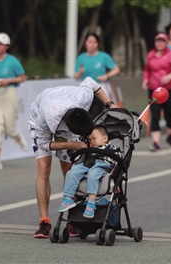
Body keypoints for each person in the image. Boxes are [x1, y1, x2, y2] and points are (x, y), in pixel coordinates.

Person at [29, 77, 117, 238]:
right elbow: (44, 145)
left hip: (68, 109)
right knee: (43, 168)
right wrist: (71, 145)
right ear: (68, 128)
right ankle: (44, 221)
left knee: (69, 168)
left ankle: (71, 218)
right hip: (40, 116)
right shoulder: (44, 117)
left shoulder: (82, 98)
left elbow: (91, 82)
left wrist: (110, 104)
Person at [57, 125, 123, 218]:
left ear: (105, 138)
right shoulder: (90, 148)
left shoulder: (111, 147)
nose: (92, 142)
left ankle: (91, 203)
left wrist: (115, 169)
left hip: (102, 164)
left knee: (93, 173)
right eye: (90, 140)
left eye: (94, 138)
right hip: (89, 162)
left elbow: (119, 158)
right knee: (72, 172)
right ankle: (68, 198)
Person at [0, 32, 28, 170]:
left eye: (2, 44)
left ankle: (17, 135)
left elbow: (22, 77)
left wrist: (9, 80)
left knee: (9, 129)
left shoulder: (13, 61)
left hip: (9, 94)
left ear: (7, 46)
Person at [142, 32, 171, 151]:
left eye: (162, 41)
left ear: (166, 43)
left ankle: (170, 132)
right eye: (157, 41)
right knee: (154, 115)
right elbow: (147, 70)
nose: (159, 43)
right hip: (154, 90)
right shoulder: (151, 55)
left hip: (168, 90)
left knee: (168, 116)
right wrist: (145, 79)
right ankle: (156, 142)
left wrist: (170, 76)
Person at [74, 33, 121, 105]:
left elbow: (116, 69)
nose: (92, 44)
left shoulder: (103, 56)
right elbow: (76, 78)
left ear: (97, 44)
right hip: (86, 88)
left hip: (100, 86)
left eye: (94, 42)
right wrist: (80, 72)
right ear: (85, 43)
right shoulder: (81, 58)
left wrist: (107, 76)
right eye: (90, 42)